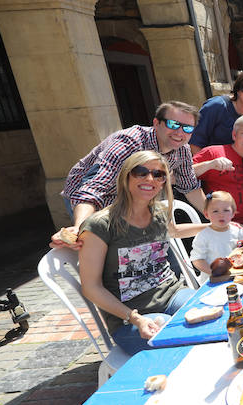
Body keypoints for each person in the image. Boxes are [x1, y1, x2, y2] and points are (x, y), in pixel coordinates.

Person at [77, 151, 208, 354]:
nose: (150, 179)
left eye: (158, 174)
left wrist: (210, 226)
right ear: (126, 176)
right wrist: (136, 318)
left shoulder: (158, 213)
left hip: (172, 295)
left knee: (208, 314)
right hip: (129, 317)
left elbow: (172, 230)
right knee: (171, 333)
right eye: (141, 172)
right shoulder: (101, 225)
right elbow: (91, 287)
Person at [53, 101, 206, 249]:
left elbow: (190, 187)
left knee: (157, 253)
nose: (180, 132)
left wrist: (216, 215)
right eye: (173, 124)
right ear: (156, 123)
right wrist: (80, 227)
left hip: (132, 200)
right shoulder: (130, 142)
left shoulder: (183, 150)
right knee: (100, 249)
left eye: (187, 128)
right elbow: (93, 187)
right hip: (93, 196)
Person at [189, 71, 243, 154]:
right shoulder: (217, 106)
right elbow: (194, 142)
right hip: (213, 162)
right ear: (237, 90)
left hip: (242, 165)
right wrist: (205, 164)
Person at [189, 191, 243, 282]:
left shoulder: (238, 231)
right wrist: (213, 272)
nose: (221, 214)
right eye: (215, 211)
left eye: (226, 210)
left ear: (233, 213)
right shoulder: (203, 236)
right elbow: (197, 259)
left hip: (237, 274)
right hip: (214, 279)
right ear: (206, 214)